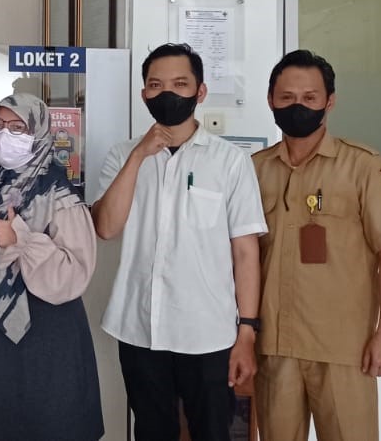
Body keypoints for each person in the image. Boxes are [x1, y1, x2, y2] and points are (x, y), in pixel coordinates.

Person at [90, 43, 265, 441]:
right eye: (156, 85)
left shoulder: (229, 161)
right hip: (138, 326)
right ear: (144, 95)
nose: (168, 93)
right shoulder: (122, 155)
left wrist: (247, 331)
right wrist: (139, 156)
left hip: (208, 330)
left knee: (212, 432)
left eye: (180, 83)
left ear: (200, 92)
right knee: (152, 431)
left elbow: (245, 252)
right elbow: (106, 228)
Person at [251, 50, 381, 441]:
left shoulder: (362, 165)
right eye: (287, 97)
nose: (298, 106)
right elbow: (242, 259)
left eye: (309, 97)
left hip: (344, 348)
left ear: (330, 102)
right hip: (275, 346)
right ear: (271, 100)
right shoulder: (254, 170)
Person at [0, 93, 102, 441]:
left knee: (39, 425)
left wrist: (23, 240)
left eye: (18, 128)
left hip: (42, 333)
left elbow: (75, 272)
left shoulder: (57, 192)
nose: (4, 135)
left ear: (39, 132)